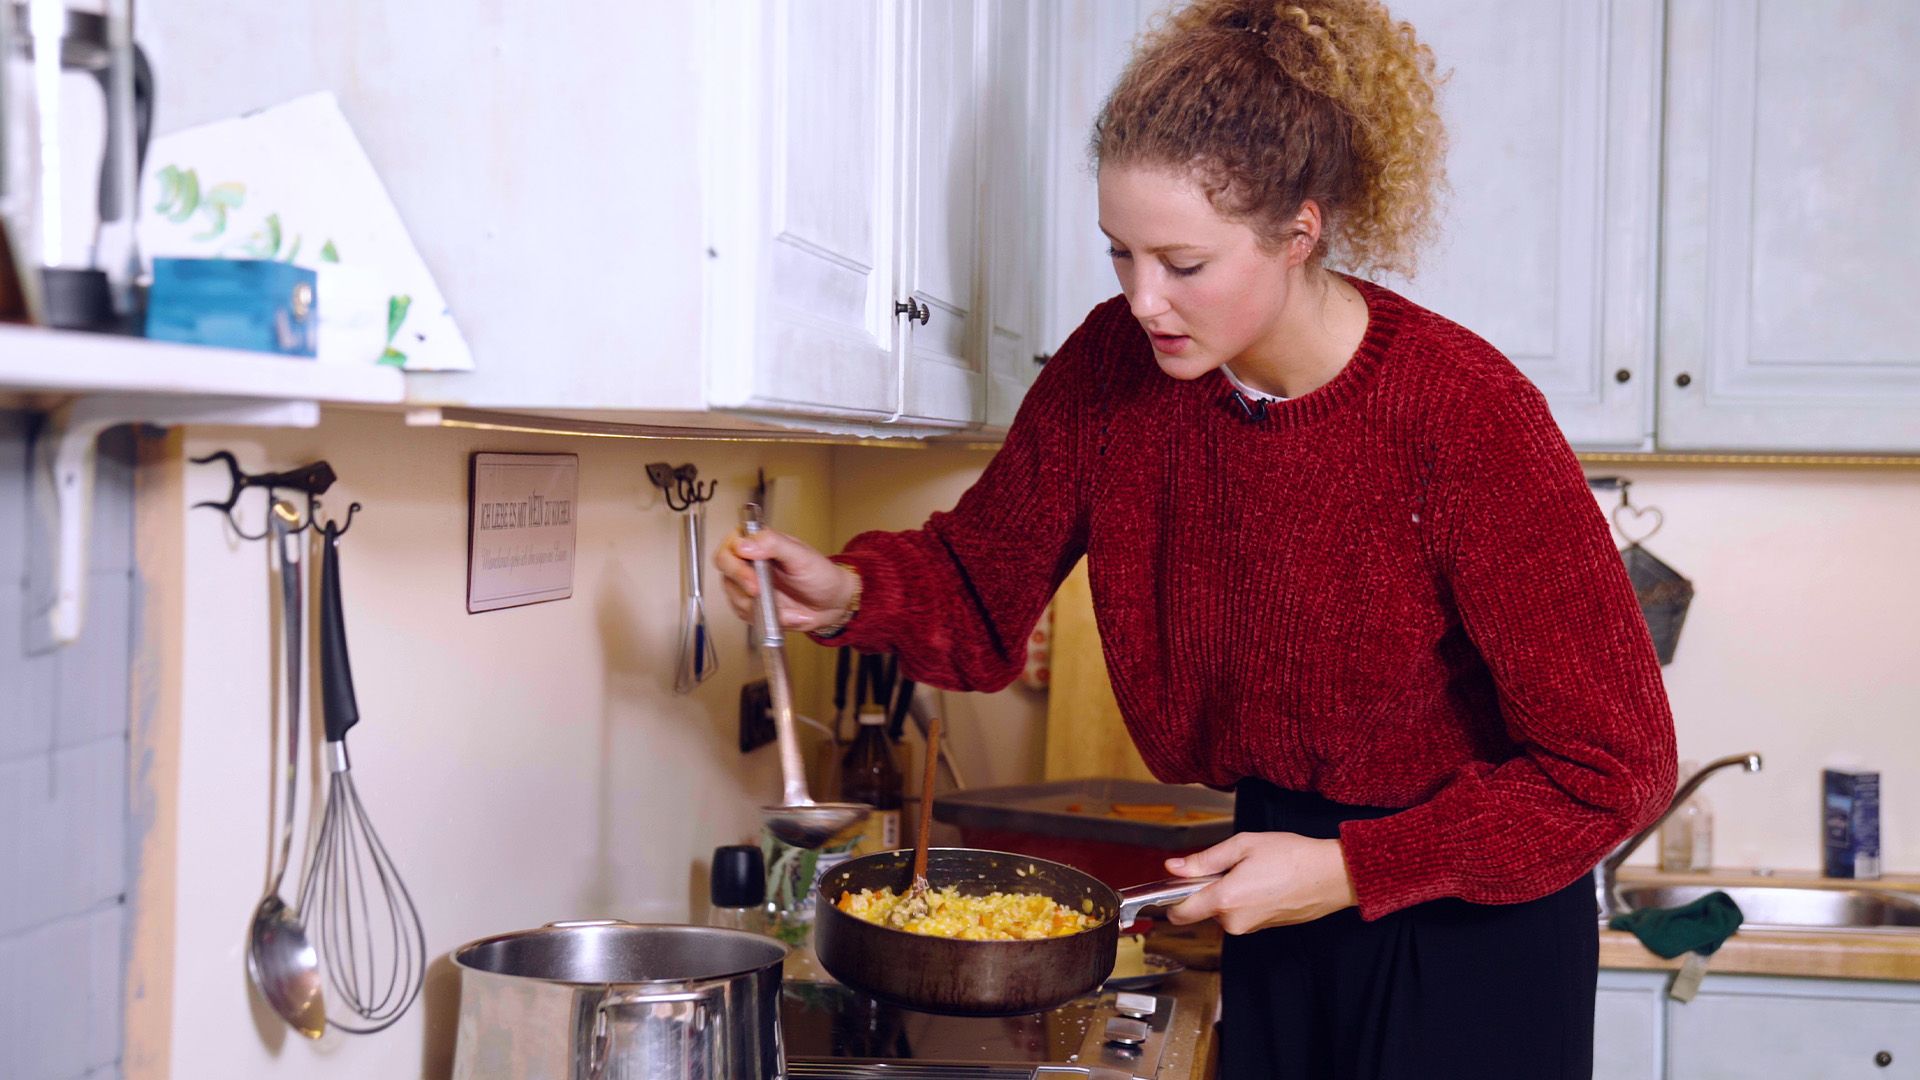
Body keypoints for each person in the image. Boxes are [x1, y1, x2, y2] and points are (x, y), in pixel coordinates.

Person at [716, 1, 1676, 1075]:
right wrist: (845, 591)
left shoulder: (1463, 416)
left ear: (1299, 233)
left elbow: (1613, 772)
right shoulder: (1113, 370)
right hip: (1272, 878)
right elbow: (978, 582)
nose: (1141, 299)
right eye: (1119, 253)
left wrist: (1352, 869)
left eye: (1182, 262)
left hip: (1468, 920)